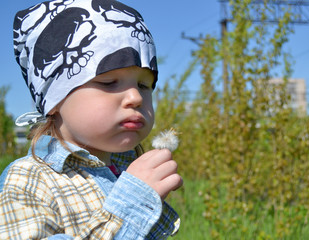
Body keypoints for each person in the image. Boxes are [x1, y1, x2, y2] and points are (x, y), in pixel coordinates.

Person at [0, 0, 183, 239]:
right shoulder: (29, 180)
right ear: (54, 100)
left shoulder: (127, 169)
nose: (135, 97)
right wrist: (133, 201)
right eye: (108, 82)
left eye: (144, 85)